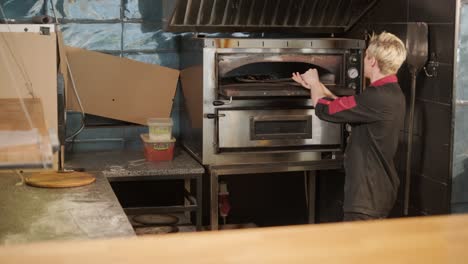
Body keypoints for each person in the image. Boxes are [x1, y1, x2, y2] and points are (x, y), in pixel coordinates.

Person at [292, 32, 407, 221]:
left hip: (367, 194)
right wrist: (316, 86)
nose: (363, 60)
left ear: (372, 61)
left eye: (365, 56)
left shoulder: (377, 96)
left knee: (360, 249)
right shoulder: (391, 93)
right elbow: (347, 106)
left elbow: (325, 110)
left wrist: (314, 84)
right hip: (378, 189)